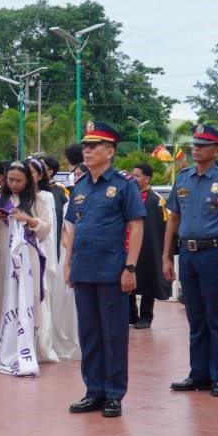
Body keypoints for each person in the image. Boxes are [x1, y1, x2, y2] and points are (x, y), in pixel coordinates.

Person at [63, 121, 145, 418]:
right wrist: (68, 263)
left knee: (113, 335)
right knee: (89, 334)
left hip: (111, 269)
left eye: (93, 145)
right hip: (84, 268)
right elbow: (72, 228)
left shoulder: (124, 186)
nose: (86, 150)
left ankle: (113, 393)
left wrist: (131, 267)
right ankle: (93, 391)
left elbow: (136, 227)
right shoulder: (80, 186)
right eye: (85, 145)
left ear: (109, 151)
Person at [163, 124, 218, 398]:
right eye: (194, 144)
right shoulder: (183, 178)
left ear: (216, 150)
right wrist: (166, 256)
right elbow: (174, 218)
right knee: (194, 316)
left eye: (203, 145)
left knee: (214, 316)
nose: (196, 148)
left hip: (213, 253)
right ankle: (198, 373)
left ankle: (217, 375)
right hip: (188, 254)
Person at [0, 160, 55, 376]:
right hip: (5, 255)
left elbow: (46, 228)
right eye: (11, 180)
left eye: (19, 180)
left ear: (28, 180)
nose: (14, 184)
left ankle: (25, 347)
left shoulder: (39, 199)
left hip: (28, 257)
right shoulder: (0, 199)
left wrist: (28, 220)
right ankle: (4, 346)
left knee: (28, 299)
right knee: (4, 298)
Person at [25, 157, 66, 361]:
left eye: (31, 172)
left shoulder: (46, 197)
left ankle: (41, 343)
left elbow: (48, 231)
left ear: (41, 175)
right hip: (20, 254)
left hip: (39, 251)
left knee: (39, 297)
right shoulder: (16, 197)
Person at [129, 163, 170, 329]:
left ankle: (146, 317)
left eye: (137, 175)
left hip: (149, 248)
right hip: (130, 246)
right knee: (128, 282)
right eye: (132, 175)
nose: (133, 178)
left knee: (147, 281)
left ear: (147, 179)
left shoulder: (156, 200)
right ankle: (130, 315)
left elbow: (165, 225)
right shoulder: (128, 196)